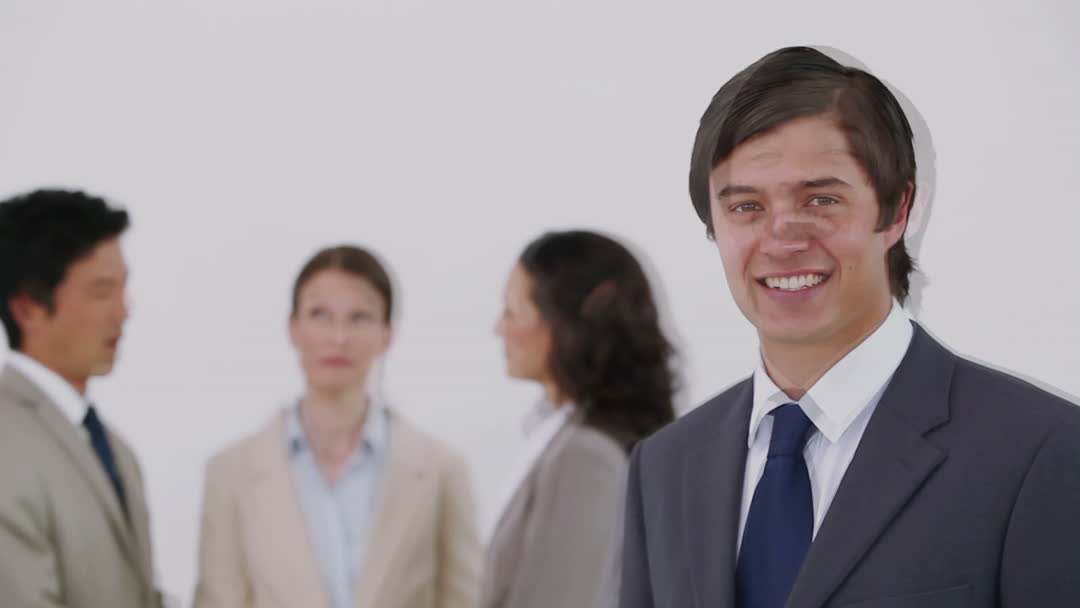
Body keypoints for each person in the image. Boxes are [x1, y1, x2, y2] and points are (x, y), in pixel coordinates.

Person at [618, 46, 1080, 608]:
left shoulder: (1041, 451)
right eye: (746, 207)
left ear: (897, 210)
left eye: (821, 199)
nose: (783, 238)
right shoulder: (664, 466)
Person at [193, 245, 481, 608]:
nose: (338, 337)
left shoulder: (441, 470)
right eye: (320, 315)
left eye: (359, 317)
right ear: (293, 328)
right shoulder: (231, 473)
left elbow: (464, 598)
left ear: (387, 334)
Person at [482, 230, 677, 608]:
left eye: (511, 310)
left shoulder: (585, 457)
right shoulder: (562, 437)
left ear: (567, 322)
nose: (499, 328)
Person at [0, 189, 161, 607]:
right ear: (29, 308)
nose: (123, 312)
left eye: (123, 289)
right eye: (102, 292)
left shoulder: (112, 447)